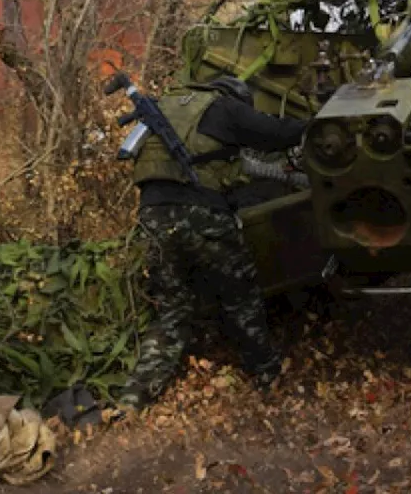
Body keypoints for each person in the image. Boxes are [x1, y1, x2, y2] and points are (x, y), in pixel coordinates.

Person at [114, 75, 307, 411]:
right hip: (202, 213)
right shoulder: (224, 108)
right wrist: (316, 124)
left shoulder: (164, 106)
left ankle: (133, 398)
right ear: (234, 94)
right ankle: (267, 375)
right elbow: (276, 135)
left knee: (173, 309)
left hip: (153, 217)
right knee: (240, 298)